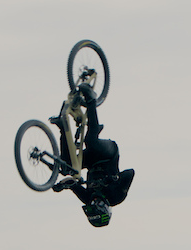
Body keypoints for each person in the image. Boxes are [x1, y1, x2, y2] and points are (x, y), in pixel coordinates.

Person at [49, 84, 135, 227]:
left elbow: (72, 183)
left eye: (88, 207)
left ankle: (62, 126)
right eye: (93, 206)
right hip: (108, 155)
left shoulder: (87, 198)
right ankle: (91, 99)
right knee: (91, 141)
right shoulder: (116, 197)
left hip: (91, 162)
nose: (90, 202)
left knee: (66, 166)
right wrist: (113, 179)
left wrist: (61, 186)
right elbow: (130, 173)